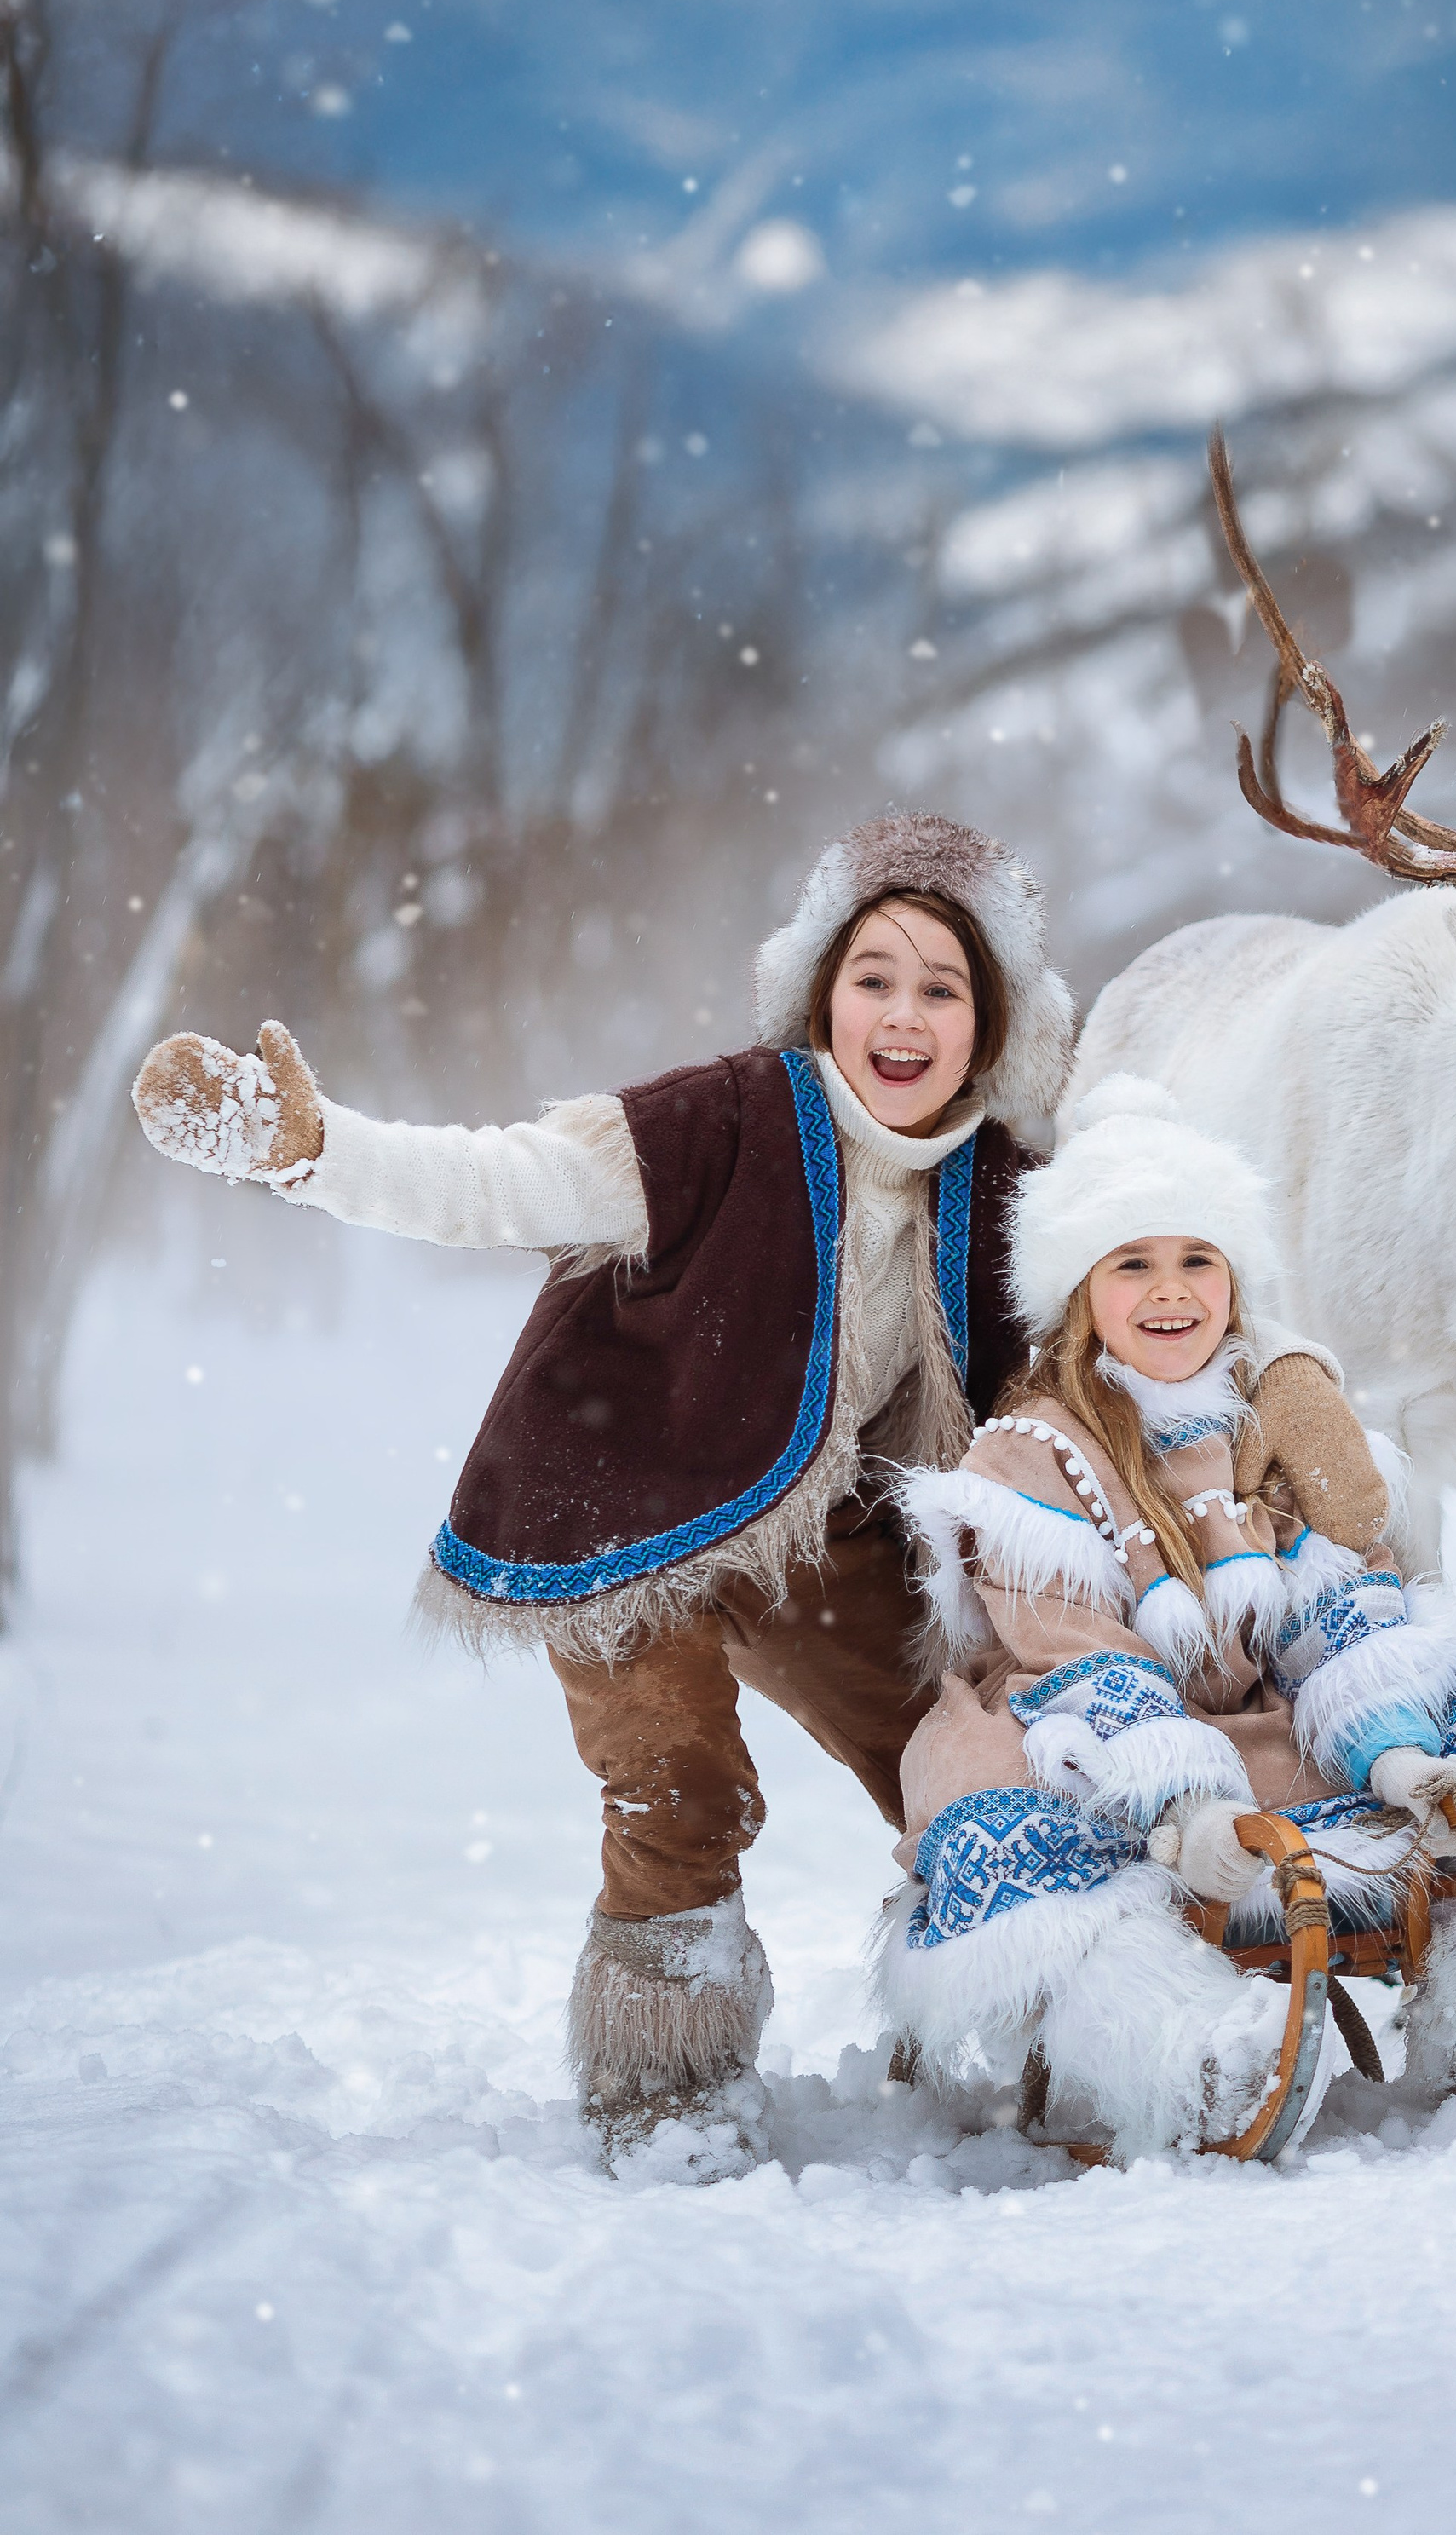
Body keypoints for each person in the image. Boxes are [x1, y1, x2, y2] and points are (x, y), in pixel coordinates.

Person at [130, 811, 1073, 2168]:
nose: (904, 1014)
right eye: (875, 976)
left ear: (988, 1023)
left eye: (943, 985)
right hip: (629, 1509)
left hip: (836, 1530)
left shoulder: (1009, 1195)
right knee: (677, 1789)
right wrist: (312, 1146)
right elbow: (504, 1179)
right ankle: (665, 2087)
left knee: (960, 1755)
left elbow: (1109, 1338)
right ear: (823, 990)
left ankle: (1001, 2022)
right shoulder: (719, 1122)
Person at [873, 1076, 1456, 2158]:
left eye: (1198, 1259)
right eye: (1131, 1263)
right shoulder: (1032, 1451)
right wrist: (1185, 1804)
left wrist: (1388, 1746)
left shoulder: (1260, 1417)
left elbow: (1337, 1595)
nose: (1170, 1290)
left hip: (1261, 1719)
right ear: (1079, 1290)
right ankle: (1180, 2055)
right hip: (1071, 1730)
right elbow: (1071, 1648)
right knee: (1032, 1839)